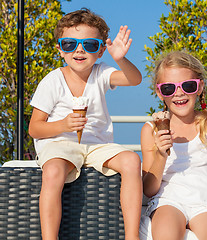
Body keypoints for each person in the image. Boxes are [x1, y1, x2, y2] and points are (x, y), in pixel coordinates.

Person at [28, 8, 142, 240]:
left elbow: (134, 79)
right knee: (52, 171)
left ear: (100, 51)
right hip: (59, 142)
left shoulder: (102, 73)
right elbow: (35, 128)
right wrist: (63, 124)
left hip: (96, 145)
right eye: (70, 44)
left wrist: (120, 59)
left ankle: (132, 236)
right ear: (60, 49)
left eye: (89, 44)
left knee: (132, 160)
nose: (79, 49)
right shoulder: (52, 81)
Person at [140, 51, 207, 240]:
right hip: (168, 200)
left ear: (200, 87)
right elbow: (149, 188)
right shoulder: (150, 130)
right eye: (169, 88)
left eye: (187, 86)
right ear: (159, 92)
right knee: (166, 233)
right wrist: (161, 155)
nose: (179, 93)